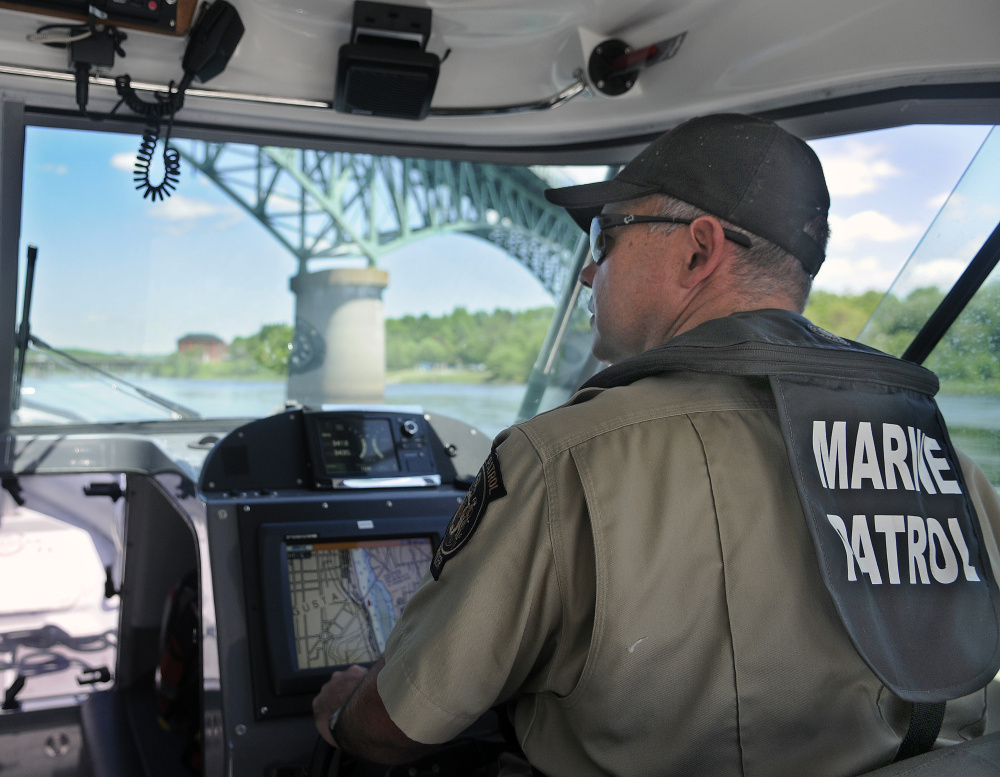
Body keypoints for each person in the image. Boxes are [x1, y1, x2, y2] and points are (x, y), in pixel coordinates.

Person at [312, 113, 1000, 776]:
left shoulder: (565, 462)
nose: (587, 271)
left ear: (699, 248)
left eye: (604, 236)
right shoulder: (950, 468)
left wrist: (343, 713)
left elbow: (398, 725)